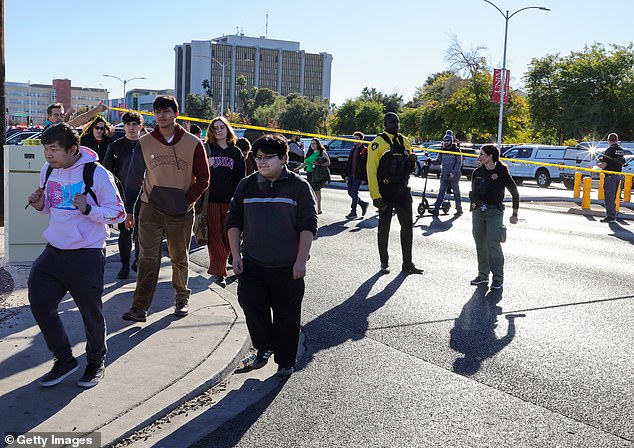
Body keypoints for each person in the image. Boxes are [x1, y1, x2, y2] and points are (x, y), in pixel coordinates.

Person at [26, 123, 125, 388]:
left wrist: (89, 209)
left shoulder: (96, 173)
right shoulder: (49, 170)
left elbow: (119, 214)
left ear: (73, 149)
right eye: (46, 149)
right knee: (39, 301)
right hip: (55, 251)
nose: (48, 155)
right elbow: (51, 207)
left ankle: (95, 361)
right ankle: (64, 359)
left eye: (54, 149)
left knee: (90, 312)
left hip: (86, 253)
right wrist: (40, 205)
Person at [226, 134, 317, 378]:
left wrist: (300, 260)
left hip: (288, 266)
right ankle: (263, 348)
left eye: (268, 158)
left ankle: (285, 361)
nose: (262, 162)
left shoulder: (298, 186)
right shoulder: (247, 184)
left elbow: (308, 225)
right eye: (258, 158)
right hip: (253, 263)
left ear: (284, 158)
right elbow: (233, 221)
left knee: (287, 315)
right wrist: (235, 255)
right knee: (250, 303)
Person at [121, 95, 210, 322]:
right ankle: (139, 307)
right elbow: (133, 180)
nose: (161, 115)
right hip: (151, 208)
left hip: (180, 211)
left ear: (175, 113)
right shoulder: (145, 142)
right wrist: (129, 211)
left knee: (179, 257)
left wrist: (187, 199)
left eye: (166, 110)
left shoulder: (193, 143)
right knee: (146, 258)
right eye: (157, 111)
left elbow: (203, 178)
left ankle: (181, 299)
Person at [366, 112, 423, 275]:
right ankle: (384, 262)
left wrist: (412, 161)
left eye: (397, 122)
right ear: (385, 124)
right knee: (384, 228)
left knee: (407, 227)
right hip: (385, 191)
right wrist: (375, 195)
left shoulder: (404, 141)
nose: (396, 125)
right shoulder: (377, 143)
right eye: (392, 122)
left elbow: (410, 168)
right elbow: (371, 171)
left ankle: (408, 263)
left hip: (402, 191)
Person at [469, 144, 519, 290]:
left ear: (490, 156)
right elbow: (474, 192)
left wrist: (514, 214)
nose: (479, 158)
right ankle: (483, 275)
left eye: (482, 155)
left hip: (494, 212)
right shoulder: (477, 173)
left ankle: (498, 278)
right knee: (480, 243)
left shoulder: (501, 172)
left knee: (493, 244)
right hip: (479, 211)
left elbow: (515, 193)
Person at [204, 116, 246, 287]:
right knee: (214, 236)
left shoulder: (235, 152)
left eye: (222, 127)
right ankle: (219, 272)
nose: (219, 130)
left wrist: (239, 201)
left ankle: (220, 266)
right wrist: (208, 163)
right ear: (211, 131)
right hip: (211, 201)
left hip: (230, 202)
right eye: (216, 128)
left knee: (229, 236)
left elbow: (241, 178)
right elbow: (195, 172)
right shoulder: (207, 149)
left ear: (228, 129)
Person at [103, 111, 144, 279]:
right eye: (128, 124)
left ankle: (139, 262)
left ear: (140, 127)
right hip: (123, 197)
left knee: (142, 233)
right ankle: (125, 266)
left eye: (134, 124)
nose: (131, 128)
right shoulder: (115, 146)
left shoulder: (147, 145)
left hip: (145, 196)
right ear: (124, 126)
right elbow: (106, 173)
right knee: (125, 232)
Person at [431, 130, 463, 216]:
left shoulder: (456, 150)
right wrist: (431, 161)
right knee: (441, 192)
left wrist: (453, 173)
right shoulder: (442, 150)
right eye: (444, 141)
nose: (446, 142)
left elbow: (459, 163)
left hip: (454, 176)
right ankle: (436, 209)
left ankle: (459, 210)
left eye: (447, 141)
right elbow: (438, 160)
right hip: (444, 175)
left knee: (456, 193)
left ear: (451, 141)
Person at [597, 133, 625, 222]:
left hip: (609, 176)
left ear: (608, 141)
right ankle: (613, 214)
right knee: (613, 197)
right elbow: (623, 162)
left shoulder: (609, 150)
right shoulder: (621, 150)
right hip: (618, 176)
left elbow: (604, 165)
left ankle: (610, 216)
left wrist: (598, 162)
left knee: (609, 197)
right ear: (617, 140)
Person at [297, 138, 330, 214]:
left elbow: (328, 163)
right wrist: (297, 169)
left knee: (317, 191)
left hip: (317, 174)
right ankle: (311, 207)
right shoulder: (310, 153)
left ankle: (318, 209)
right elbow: (305, 163)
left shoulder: (322, 152)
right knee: (310, 192)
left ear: (318, 144)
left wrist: (319, 164)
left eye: (314, 143)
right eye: (311, 144)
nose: (312, 145)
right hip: (309, 173)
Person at [344, 131, 370, 219]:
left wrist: (364, 178)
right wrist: (346, 175)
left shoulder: (364, 150)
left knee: (354, 193)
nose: (355, 140)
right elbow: (349, 163)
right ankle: (363, 203)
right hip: (351, 175)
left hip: (358, 176)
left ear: (361, 140)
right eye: (354, 139)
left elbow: (366, 165)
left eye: (357, 139)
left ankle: (353, 212)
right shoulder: (353, 149)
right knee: (350, 192)